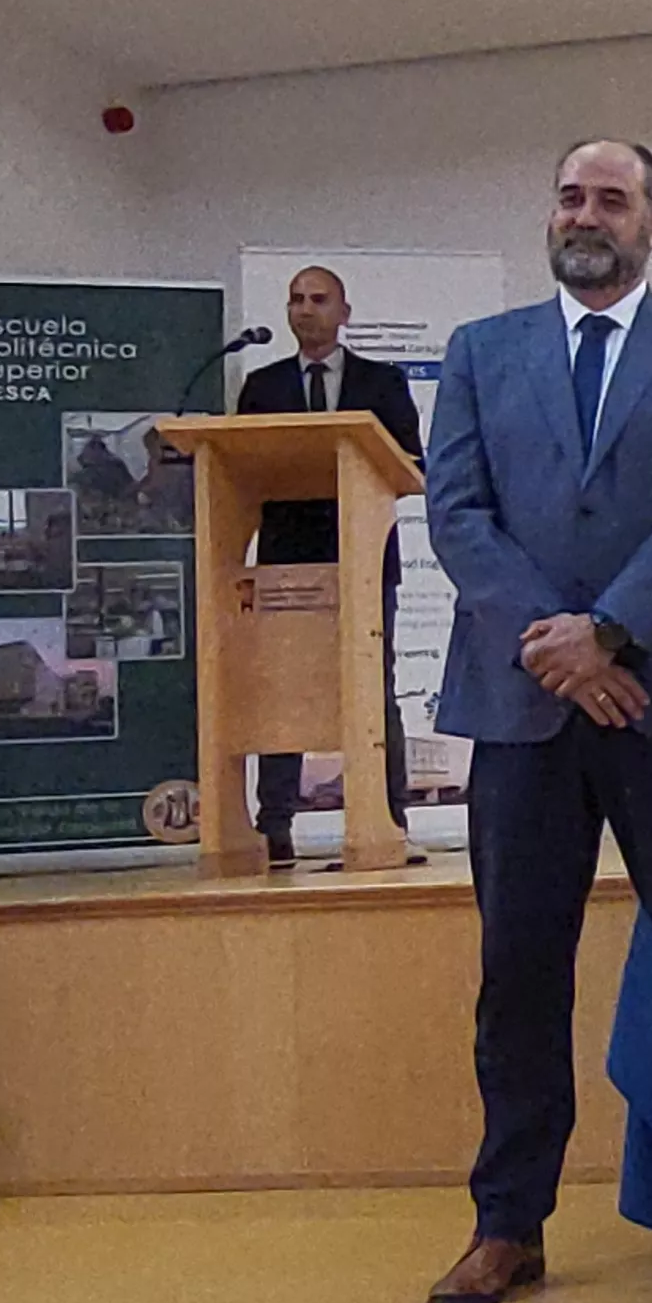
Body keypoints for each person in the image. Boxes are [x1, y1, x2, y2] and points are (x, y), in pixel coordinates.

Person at [419, 140, 652, 1303]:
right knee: (517, 971)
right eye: (571, 196)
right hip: (521, 704)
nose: (587, 214)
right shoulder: (482, 352)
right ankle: (506, 1224)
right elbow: (456, 510)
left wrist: (614, 632)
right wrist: (559, 640)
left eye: (613, 199)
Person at [233, 265, 424, 866]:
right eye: (296, 300)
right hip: (288, 561)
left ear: (345, 313)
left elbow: (409, 464)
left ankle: (389, 820)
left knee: (375, 686)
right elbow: (241, 470)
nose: (305, 310)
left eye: (319, 300)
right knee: (282, 686)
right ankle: (275, 827)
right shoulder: (260, 387)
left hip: (364, 559)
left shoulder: (382, 383)